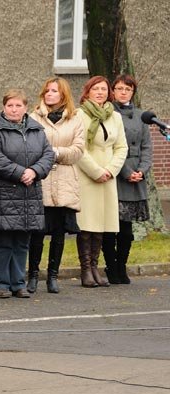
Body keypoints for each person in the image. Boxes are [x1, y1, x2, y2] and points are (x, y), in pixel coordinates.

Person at [0, 89, 54, 298]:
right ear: (4, 107)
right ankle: (0, 284)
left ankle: (18, 283)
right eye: (10, 105)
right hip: (3, 194)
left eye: (18, 105)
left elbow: (48, 154)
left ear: (26, 108)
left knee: (22, 241)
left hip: (28, 194)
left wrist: (35, 171)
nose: (14, 109)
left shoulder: (36, 130)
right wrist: (21, 173)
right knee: (3, 241)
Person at [27, 77, 85, 293]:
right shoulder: (33, 117)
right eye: (47, 91)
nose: (49, 94)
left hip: (65, 181)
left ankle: (53, 276)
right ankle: (33, 275)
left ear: (63, 95)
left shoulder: (76, 118)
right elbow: (30, 147)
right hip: (41, 180)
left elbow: (78, 150)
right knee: (37, 232)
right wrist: (45, 157)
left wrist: (56, 153)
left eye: (54, 91)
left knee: (59, 233)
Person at [76, 76, 128, 288]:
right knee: (86, 224)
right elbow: (79, 147)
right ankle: (85, 269)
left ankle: (96, 267)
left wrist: (110, 170)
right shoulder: (79, 114)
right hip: (87, 175)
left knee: (102, 223)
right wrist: (96, 171)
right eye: (95, 89)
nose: (100, 93)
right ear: (87, 92)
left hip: (108, 176)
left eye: (104, 90)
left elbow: (121, 147)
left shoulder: (114, 116)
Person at [103, 74, 152, 284]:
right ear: (113, 91)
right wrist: (124, 172)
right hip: (115, 172)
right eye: (120, 88)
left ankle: (121, 265)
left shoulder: (141, 116)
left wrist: (142, 170)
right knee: (111, 225)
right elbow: (111, 147)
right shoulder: (108, 113)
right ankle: (110, 265)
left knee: (126, 228)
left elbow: (146, 147)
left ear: (133, 92)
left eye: (128, 89)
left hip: (136, 175)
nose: (123, 92)